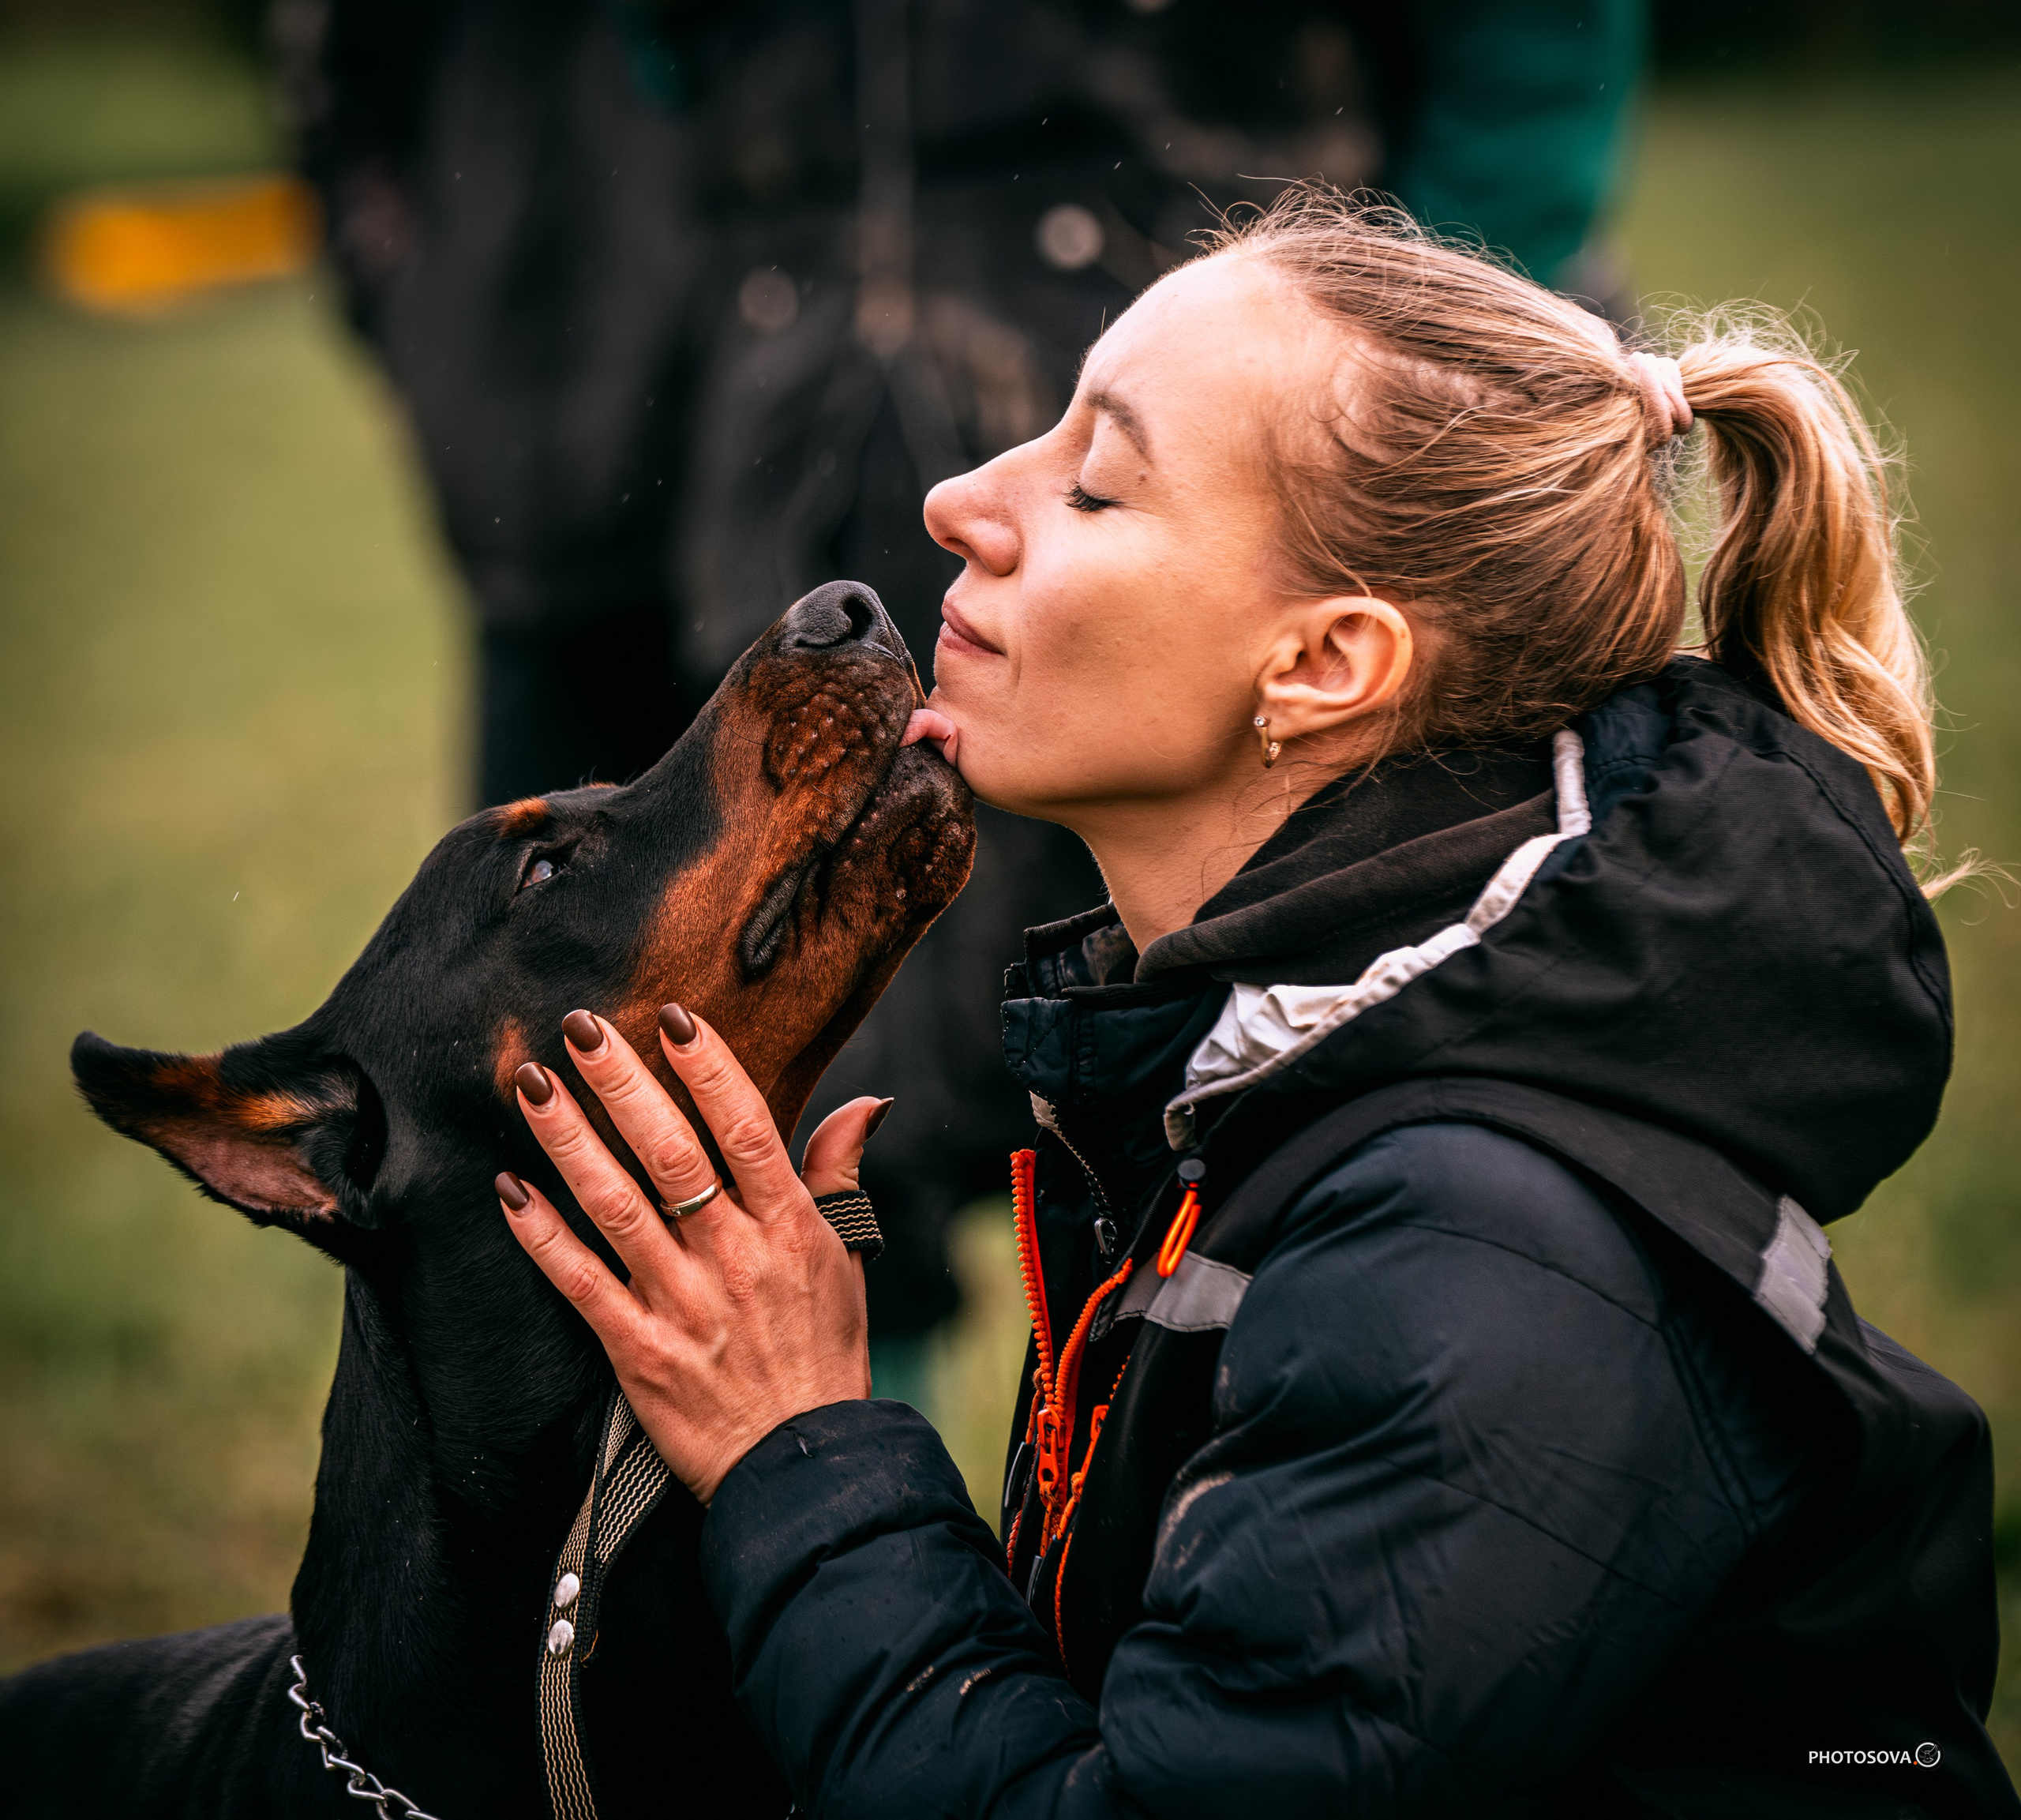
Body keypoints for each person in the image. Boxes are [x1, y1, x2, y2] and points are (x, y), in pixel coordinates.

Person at [497, 187, 2021, 1813]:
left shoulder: (1469, 1255)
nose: (955, 502)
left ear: (1321, 666)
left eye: (1092, 486)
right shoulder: (1275, 1058)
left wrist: (801, 1442)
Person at [283, 0, 1647, 1395]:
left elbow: (1532, 50)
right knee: (842, 1124)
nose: (964, 506)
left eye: (1080, 470)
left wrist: (1437, 389)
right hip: (800, 381)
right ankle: (856, 1520)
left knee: (1300, 1096)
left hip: (1260, 428)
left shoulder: (1472, 1205)